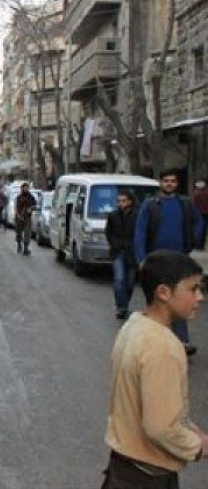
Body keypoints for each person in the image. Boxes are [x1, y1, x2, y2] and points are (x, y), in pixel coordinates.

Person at [102, 250, 208, 489]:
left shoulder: (135, 325)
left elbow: (149, 402)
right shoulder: (164, 347)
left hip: (123, 467)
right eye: (193, 289)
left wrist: (189, 428)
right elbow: (161, 428)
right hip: (147, 477)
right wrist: (197, 446)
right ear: (163, 292)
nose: (200, 297)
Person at [134, 169, 205, 355]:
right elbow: (140, 231)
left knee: (178, 297)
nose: (169, 184)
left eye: (173, 181)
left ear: (177, 184)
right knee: (157, 299)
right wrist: (141, 258)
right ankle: (153, 338)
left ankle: (181, 339)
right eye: (166, 181)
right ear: (160, 183)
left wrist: (192, 240)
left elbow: (199, 222)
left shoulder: (185, 204)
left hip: (179, 259)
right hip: (156, 260)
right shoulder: (150, 205)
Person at [104, 190, 138, 320]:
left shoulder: (137, 216)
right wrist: (113, 244)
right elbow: (108, 232)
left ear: (130, 202)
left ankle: (125, 302)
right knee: (119, 279)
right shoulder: (113, 216)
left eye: (123, 201)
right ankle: (121, 307)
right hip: (118, 252)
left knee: (130, 282)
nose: (120, 204)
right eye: (118, 201)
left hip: (132, 253)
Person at [15, 182, 37, 256]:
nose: (26, 189)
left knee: (27, 233)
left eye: (27, 188)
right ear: (22, 188)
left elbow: (35, 205)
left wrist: (31, 209)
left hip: (27, 217)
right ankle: (19, 244)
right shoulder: (19, 197)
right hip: (19, 217)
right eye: (25, 188)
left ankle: (26, 248)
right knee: (18, 232)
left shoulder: (31, 197)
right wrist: (19, 216)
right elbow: (16, 208)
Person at [192, 178, 208, 250]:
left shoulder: (196, 193)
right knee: (204, 230)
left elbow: (194, 204)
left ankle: (197, 245)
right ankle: (201, 245)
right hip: (205, 213)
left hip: (198, 213)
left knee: (198, 229)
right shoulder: (206, 193)